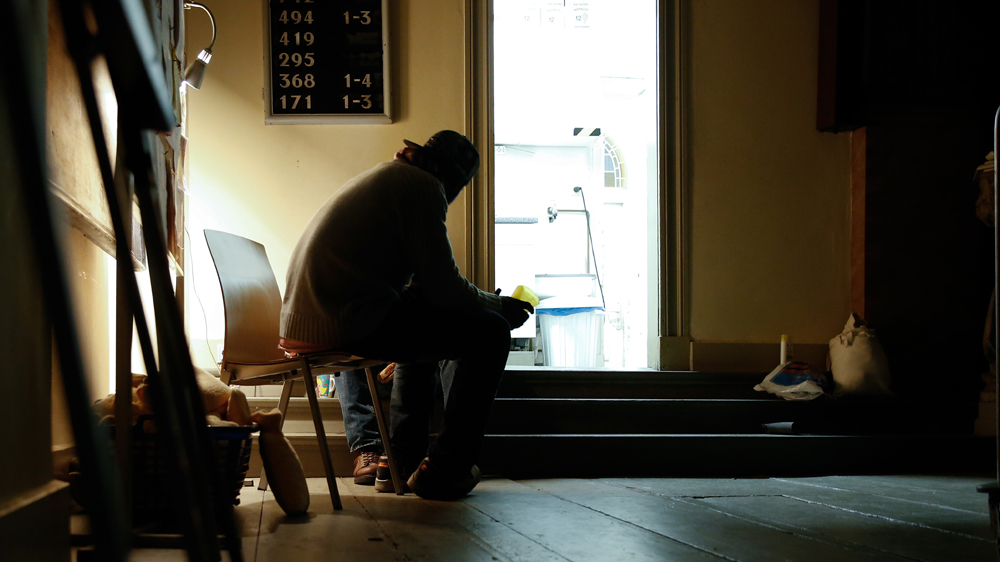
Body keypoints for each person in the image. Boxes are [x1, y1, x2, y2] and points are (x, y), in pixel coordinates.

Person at [279, 131, 533, 500]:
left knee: (425, 322)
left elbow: (429, 289)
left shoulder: (388, 176)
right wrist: (498, 306)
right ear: (454, 178)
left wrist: (468, 300)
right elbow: (443, 285)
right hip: (341, 321)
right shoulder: (422, 186)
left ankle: (401, 460)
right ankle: (447, 467)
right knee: (491, 331)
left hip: (313, 316)